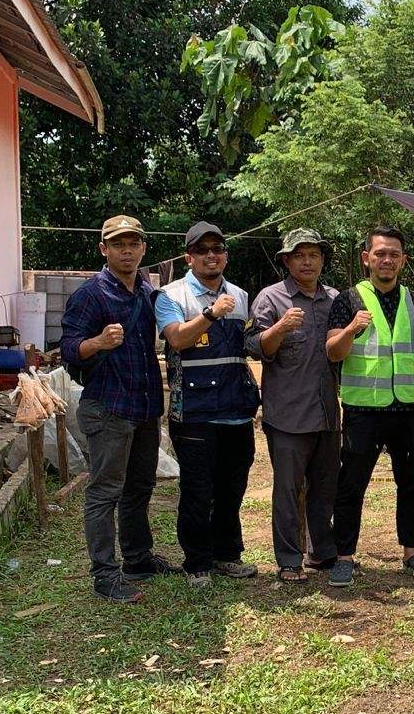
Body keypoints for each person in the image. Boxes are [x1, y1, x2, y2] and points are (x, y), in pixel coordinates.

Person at [60, 214, 177, 603]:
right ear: (104, 249)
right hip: (108, 408)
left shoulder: (145, 292)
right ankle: (105, 576)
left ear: (143, 249)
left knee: (139, 487)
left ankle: (139, 559)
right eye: (118, 244)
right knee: (105, 491)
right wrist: (97, 342)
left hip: (143, 406)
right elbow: (68, 349)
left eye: (133, 243)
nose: (127, 250)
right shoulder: (90, 294)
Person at [326, 226, 414, 587]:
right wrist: (350, 331)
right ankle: (344, 556)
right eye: (380, 253)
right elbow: (333, 352)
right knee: (351, 485)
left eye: (393, 254)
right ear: (366, 259)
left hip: (408, 408)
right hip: (364, 409)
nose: (386, 260)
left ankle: (411, 551)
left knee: (411, 485)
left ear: (403, 260)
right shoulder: (347, 300)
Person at [155, 222, 261, 587]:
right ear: (190, 258)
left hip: (235, 409)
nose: (211, 255)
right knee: (198, 490)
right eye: (203, 250)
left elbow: (247, 345)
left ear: (225, 256)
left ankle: (227, 555)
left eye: (217, 249)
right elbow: (178, 339)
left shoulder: (242, 295)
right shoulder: (171, 295)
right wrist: (211, 313)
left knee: (232, 488)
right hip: (194, 412)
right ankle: (197, 563)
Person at [248, 228, 341, 583]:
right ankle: (289, 559)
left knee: (325, 486)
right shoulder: (271, 299)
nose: (307, 261)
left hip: (327, 412)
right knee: (288, 489)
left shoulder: (334, 299)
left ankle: (322, 551)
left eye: (313, 255)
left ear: (321, 260)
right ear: (286, 260)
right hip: (287, 414)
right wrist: (281, 328)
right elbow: (257, 348)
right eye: (299, 255)